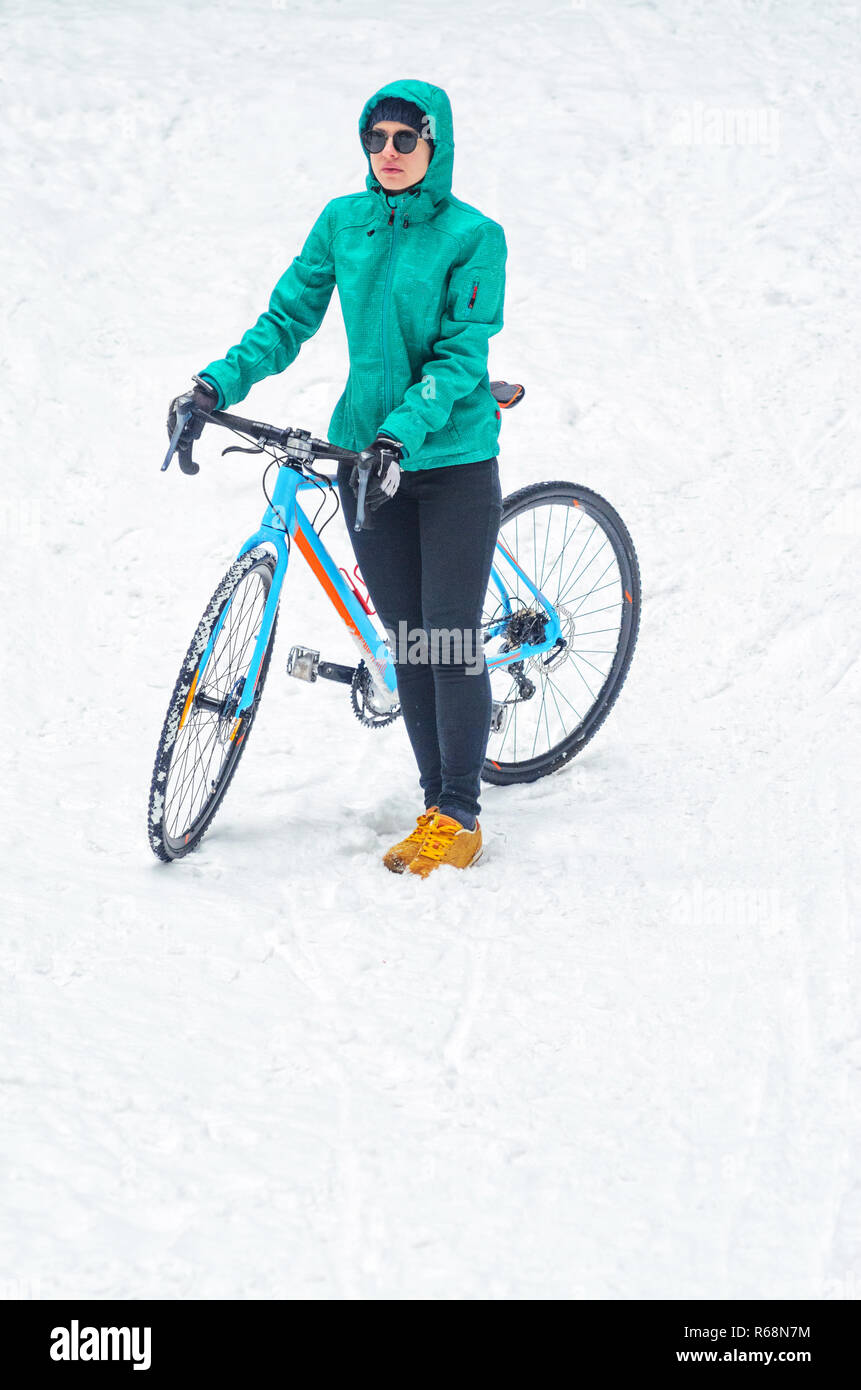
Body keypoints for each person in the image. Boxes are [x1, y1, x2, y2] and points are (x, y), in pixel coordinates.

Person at [167, 79, 507, 879]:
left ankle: (455, 812)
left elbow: (463, 355)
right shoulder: (342, 223)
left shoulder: (473, 235)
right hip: (365, 458)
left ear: (435, 146)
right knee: (406, 638)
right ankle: (437, 800)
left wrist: (404, 431)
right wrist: (214, 386)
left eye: (405, 139)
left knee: (444, 635)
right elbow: (287, 320)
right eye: (375, 138)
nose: (387, 152)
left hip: (450, 456)